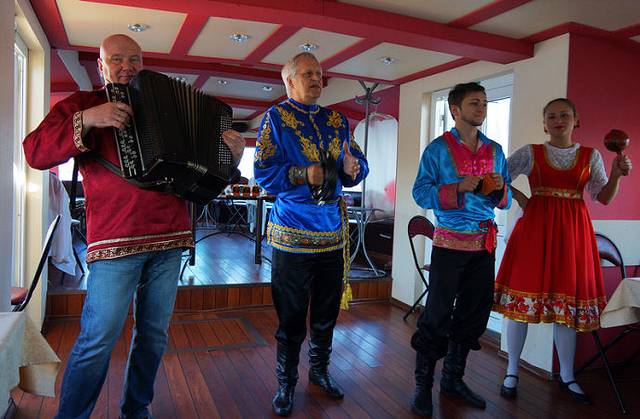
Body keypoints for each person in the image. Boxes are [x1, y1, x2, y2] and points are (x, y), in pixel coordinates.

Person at [23, 34, 245, 419]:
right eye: (117, 59)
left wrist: (231, 158)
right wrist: (89, 119)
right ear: (101, 66)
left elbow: (204, 181)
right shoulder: (84, 103)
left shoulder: (168, 107)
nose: (127, 66)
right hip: (115, 240)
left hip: (171, 237)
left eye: (134, 59)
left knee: (154, 335)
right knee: (98, 338)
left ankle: (136, 409)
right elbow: (34, 151)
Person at [494, 98, 632, 404]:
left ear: (576, 119)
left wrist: (616, 175)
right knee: (522, 301)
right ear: (544, 123)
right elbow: (496, 177)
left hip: (573, 235)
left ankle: (568, 375)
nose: (558, 120)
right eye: (552, 116)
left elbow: (603, 198)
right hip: (535, 232)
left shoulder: (591, 155)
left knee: (566, 306)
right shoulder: (531, 152)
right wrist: (520, 197)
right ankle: (512, 371)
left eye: (564, 115)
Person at [253, 52, 368, 417]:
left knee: (326, 312)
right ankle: (286, 382)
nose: (316, 79)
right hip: (292, 233)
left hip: (333, 233)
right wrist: (303, 174)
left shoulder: (338, 120)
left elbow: (358, 163)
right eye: (308, 74)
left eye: (318, 73)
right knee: (290, 317)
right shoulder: (275, 118)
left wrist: (353, 168)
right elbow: (262, 172)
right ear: (289, 81)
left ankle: (319, 371)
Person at [410, 82, 511, 417]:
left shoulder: (496, 150)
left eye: (484, 103)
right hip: (449, 244)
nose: (481, 108)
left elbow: (507, 200)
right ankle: (422, 386)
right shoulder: (437, 150)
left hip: (484, 244)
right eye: (474, 102)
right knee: (437, 314)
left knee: (473, 314)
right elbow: (420, 193)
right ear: (455, 110)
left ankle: (453, 380)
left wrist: (499, 190)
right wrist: (457, 187)